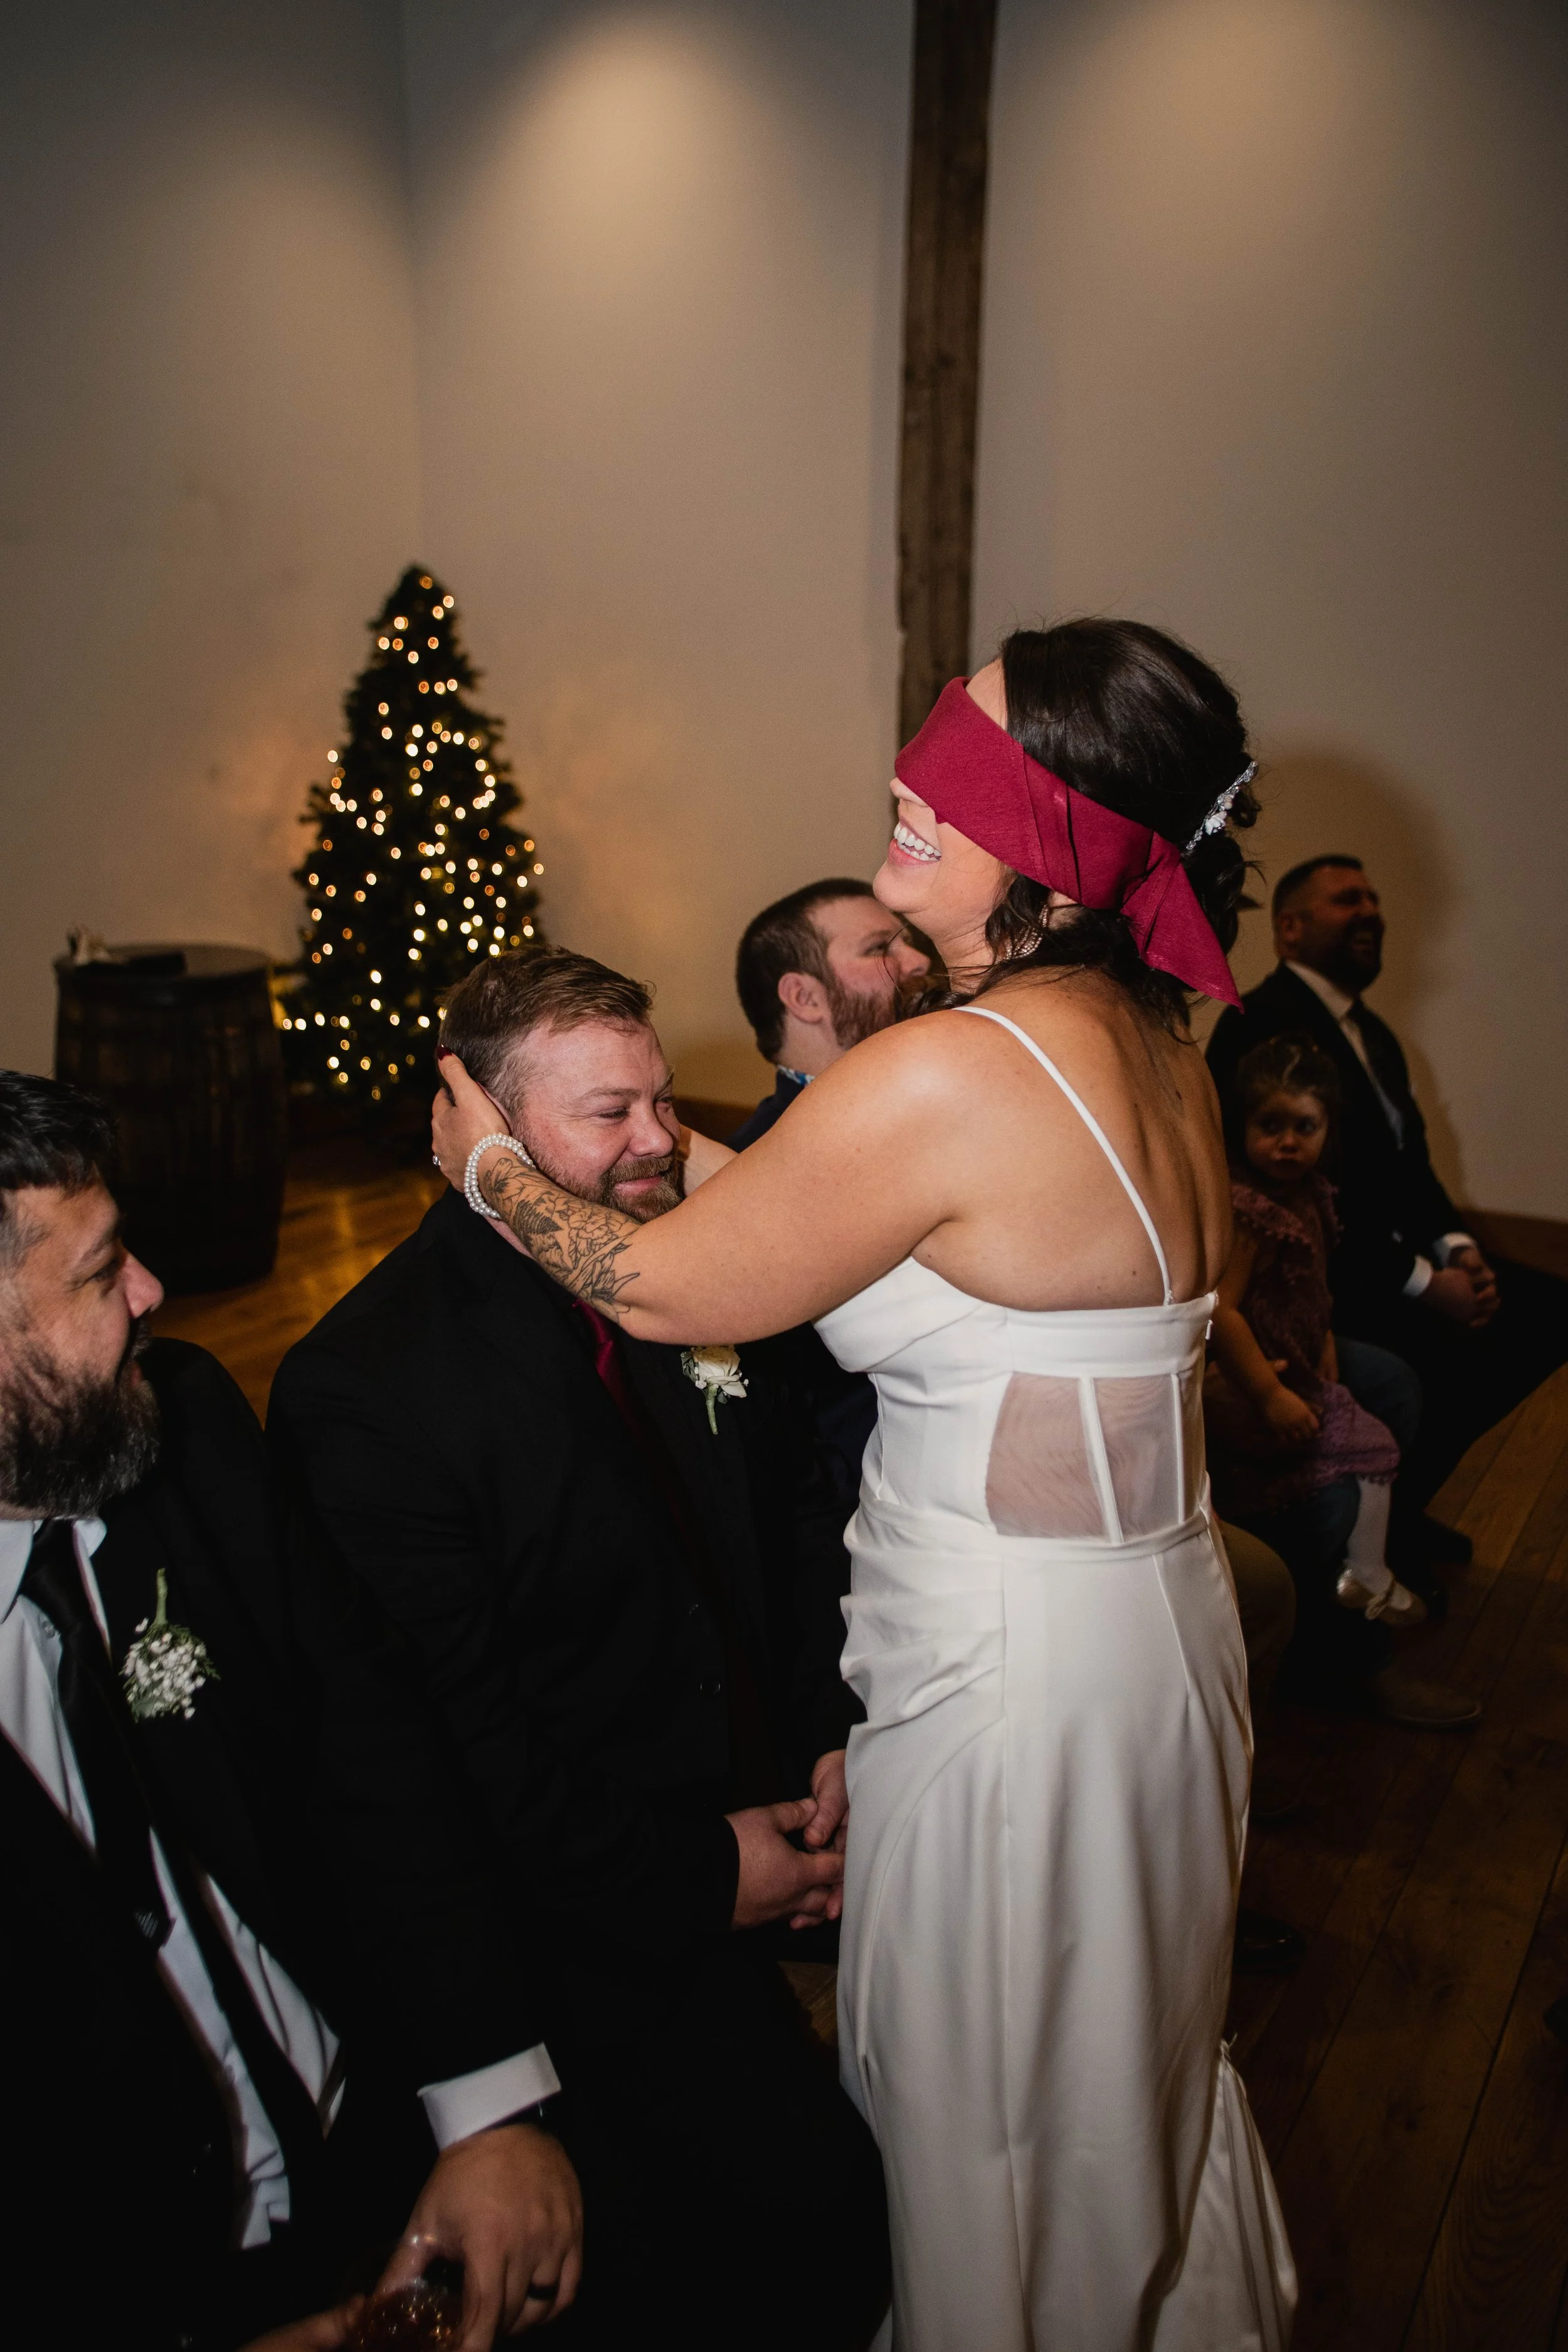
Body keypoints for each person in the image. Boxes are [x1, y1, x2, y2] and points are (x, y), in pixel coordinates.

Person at [433, 620, 1300, 2349]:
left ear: (1053, 830)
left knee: (999, 2117)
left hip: (1021, 1680)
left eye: (959, 765)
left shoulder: (950, 1070)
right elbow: (862, 1206)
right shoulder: (1148, 1049)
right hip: (1130, 1639)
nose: (905, 780)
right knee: (1107, 2081)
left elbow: (672, 1286)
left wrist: (492, 1169)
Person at [267, 950, 890, 2352]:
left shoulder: (685, 1278)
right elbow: (441, 1750)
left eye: (660, 1101)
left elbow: (800, 1521)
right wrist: (702, 1872)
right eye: (610, 1115)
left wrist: (826, 1735)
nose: (661, 1141)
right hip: (563, 1922)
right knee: (803, 2235)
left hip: (774, 1812)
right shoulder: (366, 1391)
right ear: (480, 1130)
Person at [0, 1073, 583, 2352]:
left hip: (381, 2145)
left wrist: (488, 2107)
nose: (152, 1293)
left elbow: (376, 1754)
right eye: (100, 1276)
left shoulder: (184, 1422)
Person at [734, 879, 1303, 1971]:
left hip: (1080, 1534)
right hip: (912, 1528)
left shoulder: (993, 1085)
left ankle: (1160, 1890)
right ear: (802, 994)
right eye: (876, 948)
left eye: (907, 938)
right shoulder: (778, 1152)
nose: (911, 961)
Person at [1207, 854, 1568, 1512]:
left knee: (1546, 1313)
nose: (1371, 912)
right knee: (1433, 1363)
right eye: (1347, 900)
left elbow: (1412, 1164)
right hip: (1320, 1275)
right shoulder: (1257, 1023)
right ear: (1289, 930)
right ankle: (1372, 1523)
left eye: (1373, 899)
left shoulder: (1371, 1031)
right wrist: (1426, 1284)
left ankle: (1403, 1505)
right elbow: (1293, 1199)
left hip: (1390, 1261)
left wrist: (1456, 1248)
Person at [1206, 1036, 1480, 1726]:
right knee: (1368, 1447)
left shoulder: (1309, 1196)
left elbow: (1314, 1289)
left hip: (1299, 1352)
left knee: (1389, 1392)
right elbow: (1222, 1309)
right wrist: (1266, 1392)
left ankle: (1364, 1577)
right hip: (1254, 1371)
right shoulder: (1252, 1212)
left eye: (1305, 1127)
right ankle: (1360, 1582)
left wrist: (1323, 1339)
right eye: (1271, 1127)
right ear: (1243, 1128)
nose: (1289, 1144)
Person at [731, 878, 930, 1147]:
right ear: (805, 998)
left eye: (908, 944)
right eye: (879, 948)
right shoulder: (756, 1163)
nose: (921, 961)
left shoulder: (923, 1105)